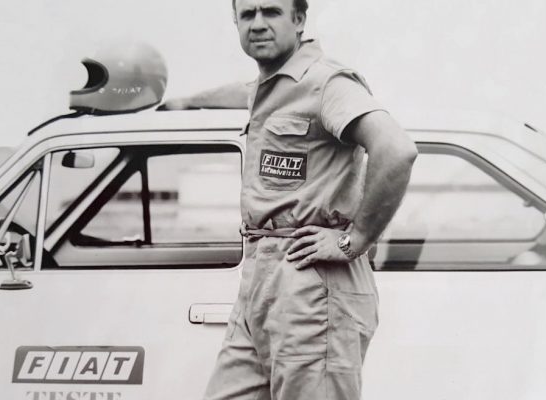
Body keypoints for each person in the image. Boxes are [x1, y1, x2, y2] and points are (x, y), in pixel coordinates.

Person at [162, 0, 417, 398]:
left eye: (271, 12)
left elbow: (396, 149)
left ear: (299, 20)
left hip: (314, 286)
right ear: (235, 21)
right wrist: (189, 101)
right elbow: (247, 92)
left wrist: (356, 238)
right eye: (247, 14)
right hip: (261, 282)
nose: (258, 24)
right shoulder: (273, 88)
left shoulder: (328, 83)